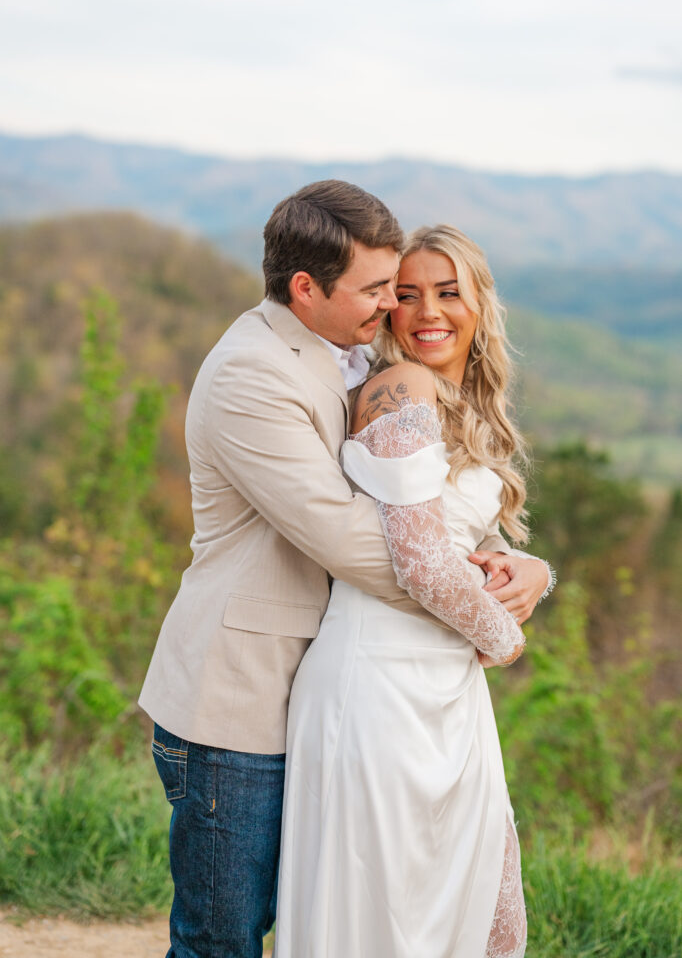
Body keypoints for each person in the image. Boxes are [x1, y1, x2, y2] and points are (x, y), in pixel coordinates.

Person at [138, 184, 550, 958]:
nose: (394, 304)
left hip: (346, 689)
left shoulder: (357, 352)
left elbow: (422, 500)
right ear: (305, 287)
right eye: (376, 289)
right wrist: (489, 624)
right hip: (242, 697)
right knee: (221, 939)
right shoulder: (250, 375)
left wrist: (517, 559)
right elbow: (359, 542)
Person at [274, 224, 554, 958]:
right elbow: (423, 563)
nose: (428, 311)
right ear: (387, 311)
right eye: (406, 294)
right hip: (378, 691)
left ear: (478, 306)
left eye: (448, 292)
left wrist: (532, 569)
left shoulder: (463, 401)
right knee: (384, 913)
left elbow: (455, 532)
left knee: (472, 906)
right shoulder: (400, 386)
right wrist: (505, 639)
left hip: (446, 689)